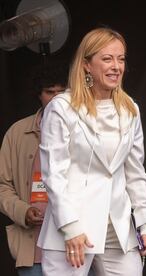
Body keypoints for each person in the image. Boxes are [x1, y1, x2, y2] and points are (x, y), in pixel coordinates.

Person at [37, 27, 146, 276]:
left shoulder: (129, 109)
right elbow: (54, 174)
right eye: (107, 58)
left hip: (118, 228)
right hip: (72, 227)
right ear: (86, 65)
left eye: (121, 58)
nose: (116, 66)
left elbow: (135, 171)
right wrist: (70, 227)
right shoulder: (62, 108)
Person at [0, 62, 67, 275]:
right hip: (33, 248)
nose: (56, 99)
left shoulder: (85, 131)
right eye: (50, 92)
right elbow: (2, 185)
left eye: (62, 92)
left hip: (74, 248)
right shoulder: (18, 132)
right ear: (39, 94)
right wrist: (23, 211)